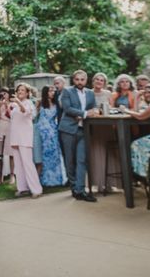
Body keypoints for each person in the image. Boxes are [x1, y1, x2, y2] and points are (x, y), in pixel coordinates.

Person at [59, 70, 98, 202]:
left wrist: (95, 111)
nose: (80, 82)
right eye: (77, 79)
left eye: (82, 79)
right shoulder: (67, 91)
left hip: (83, 130)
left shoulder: (90, 93)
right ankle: (74, 188)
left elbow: (95, 108)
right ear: (73, 80)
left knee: (82, 160)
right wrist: (85, 113)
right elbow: (67, 108)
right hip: (68, 130)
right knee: (70, 161)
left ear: (86, 80)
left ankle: (80, 190)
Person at [9, 83, 43, 198]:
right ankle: (23, 188)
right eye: (18, 90)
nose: (20, 92)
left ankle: (36, 190)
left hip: (25, 137)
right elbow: (12, 118)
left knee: (28, 163)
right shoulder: (14, 104)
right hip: (15, 136)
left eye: (22, 90)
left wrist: (17, 102)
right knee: (18, 164)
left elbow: (26, 112)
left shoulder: (29, 103)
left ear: (27, 93)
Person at [89, 72, 120, 192]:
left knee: (110, 154)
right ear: (93, 81)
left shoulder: (108, 94)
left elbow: (112, 109)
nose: (99, 82)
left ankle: (110, 183)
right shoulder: (88, 93)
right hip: (94, 127)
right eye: (97, 79)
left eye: (101, 80)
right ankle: (99, 183)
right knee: (96, 153)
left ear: (104, 83)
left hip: (107, 126)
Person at [37, 85, 66, 187]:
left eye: (53, 91)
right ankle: (45, 179)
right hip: (43, 132)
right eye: (50, 91)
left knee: (55, 155)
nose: (52, 93)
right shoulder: (40, 103)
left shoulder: (56, 103)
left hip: (53, 131)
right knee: (45, 155)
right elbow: (36, 118)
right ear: (46, 92)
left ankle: (56, 179)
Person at [0, 87, 15, 185]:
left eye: (5, 93)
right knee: (0, 154)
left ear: (8, 94)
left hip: (10, 129)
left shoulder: (12, 104)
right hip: (0, 129)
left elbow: (11, 116)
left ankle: (12, 175)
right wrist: (0, 106)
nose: (3, 95)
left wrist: (7, 105)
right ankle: (0, 175)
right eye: (2, 93)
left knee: (11, 153)